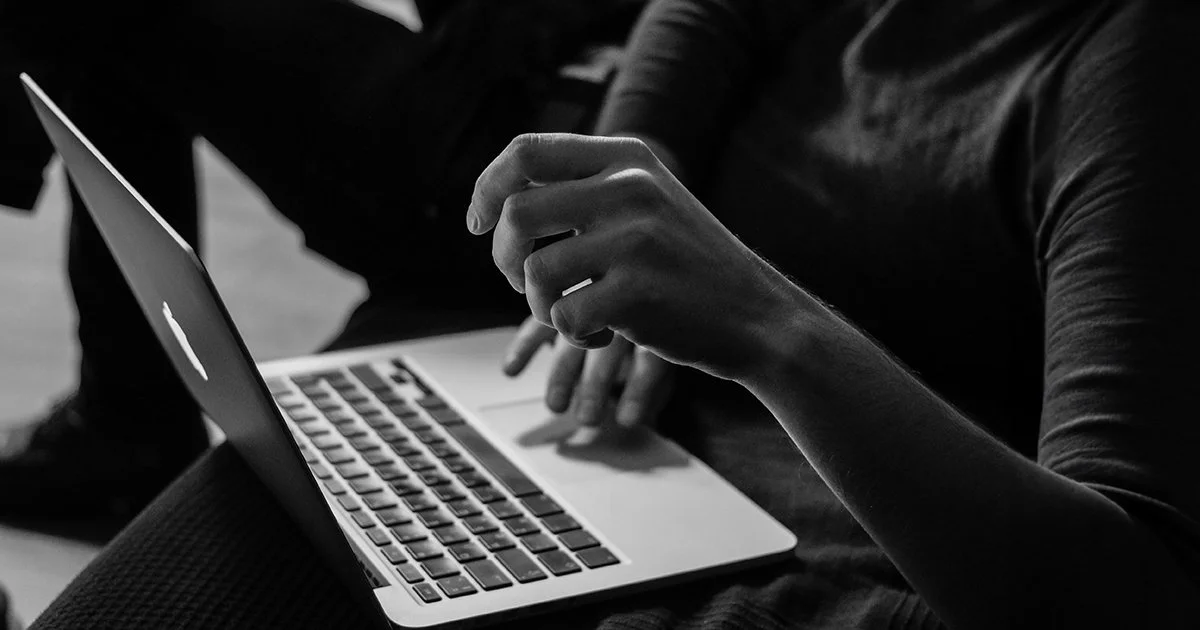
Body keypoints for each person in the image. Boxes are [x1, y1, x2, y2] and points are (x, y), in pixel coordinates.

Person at [464, 0, 1200, 627]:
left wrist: (765, 326)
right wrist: (625, 188)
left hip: (807, 582)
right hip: (636, 466)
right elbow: (704, 14)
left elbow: (1130, 591)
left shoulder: (1136, 61)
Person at [0, 0, 641, 528]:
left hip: (537, 129)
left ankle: (126, 428)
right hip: (501, 67)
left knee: (103, 16)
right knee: (104, 33)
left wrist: (620, 206)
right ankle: (126, 425)